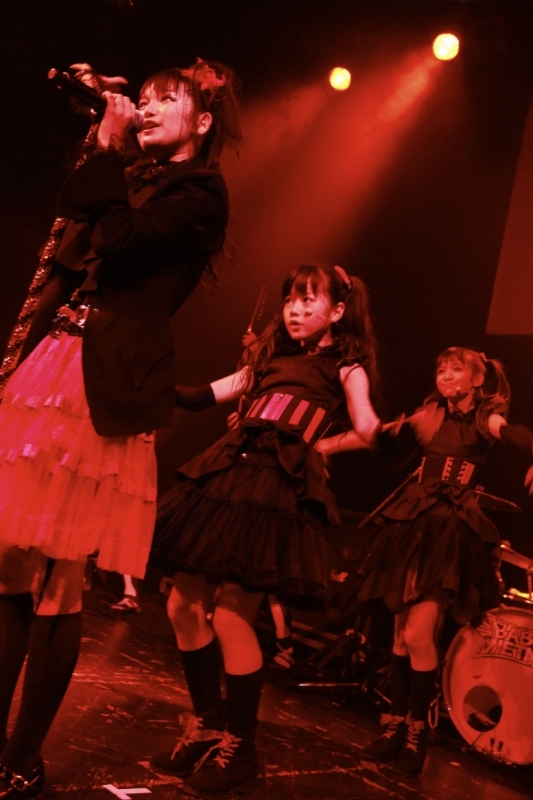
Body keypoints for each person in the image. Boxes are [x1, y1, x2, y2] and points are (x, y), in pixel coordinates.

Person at [0, 59, 240, 797]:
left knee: (60, 577)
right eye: (145, 98)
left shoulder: (201, 193)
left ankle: (23, 759)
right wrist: (103, 142)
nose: (149, 107)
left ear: (202, 121)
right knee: (9, 564)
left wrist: (110, 149)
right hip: (57, 361)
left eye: (167, 100)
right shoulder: (131, 173)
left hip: (107, 381)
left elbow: (124, 241)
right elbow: (75, 227)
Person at [149, 263, 381, 796]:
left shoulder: (346, 367)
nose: (296, 309)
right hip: (229, 480)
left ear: (337, 311)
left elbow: (368, 428)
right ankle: (207, 724)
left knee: (232, 618)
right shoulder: (269, 357)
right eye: (291, 300)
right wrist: (143, 377)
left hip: (276, 493)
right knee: (181, 605)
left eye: (309, 299)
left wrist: (325, 445)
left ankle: (241, 747)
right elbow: (200, 396)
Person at [347, 347, 529, 777]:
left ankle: (417, 735)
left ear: (476, 380)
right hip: (413, 524)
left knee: (418, 634)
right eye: (441, 369)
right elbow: (373, 435)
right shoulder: (430, 416)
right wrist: (322, 446)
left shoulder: (484, 419)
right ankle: (394, 728)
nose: (446, 375)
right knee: (399, 636)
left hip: (448, 530)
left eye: (456, 369)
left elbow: (515, 435)